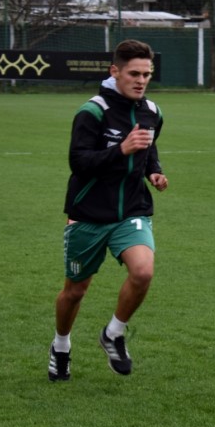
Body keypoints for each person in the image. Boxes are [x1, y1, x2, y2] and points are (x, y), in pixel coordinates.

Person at [49, 39, 168, 381]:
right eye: (134, 73)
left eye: (147, 74)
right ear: (114, 71)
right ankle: (60, 345)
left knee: (143, 271)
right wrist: (121, 150)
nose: (141, 80)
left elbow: (149, 148)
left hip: (132, 209)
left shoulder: (152, 112)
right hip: (88, 213)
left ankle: (113, 333)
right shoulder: (93, 111)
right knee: (75, 291)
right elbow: (79, 162)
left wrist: (153, 172)